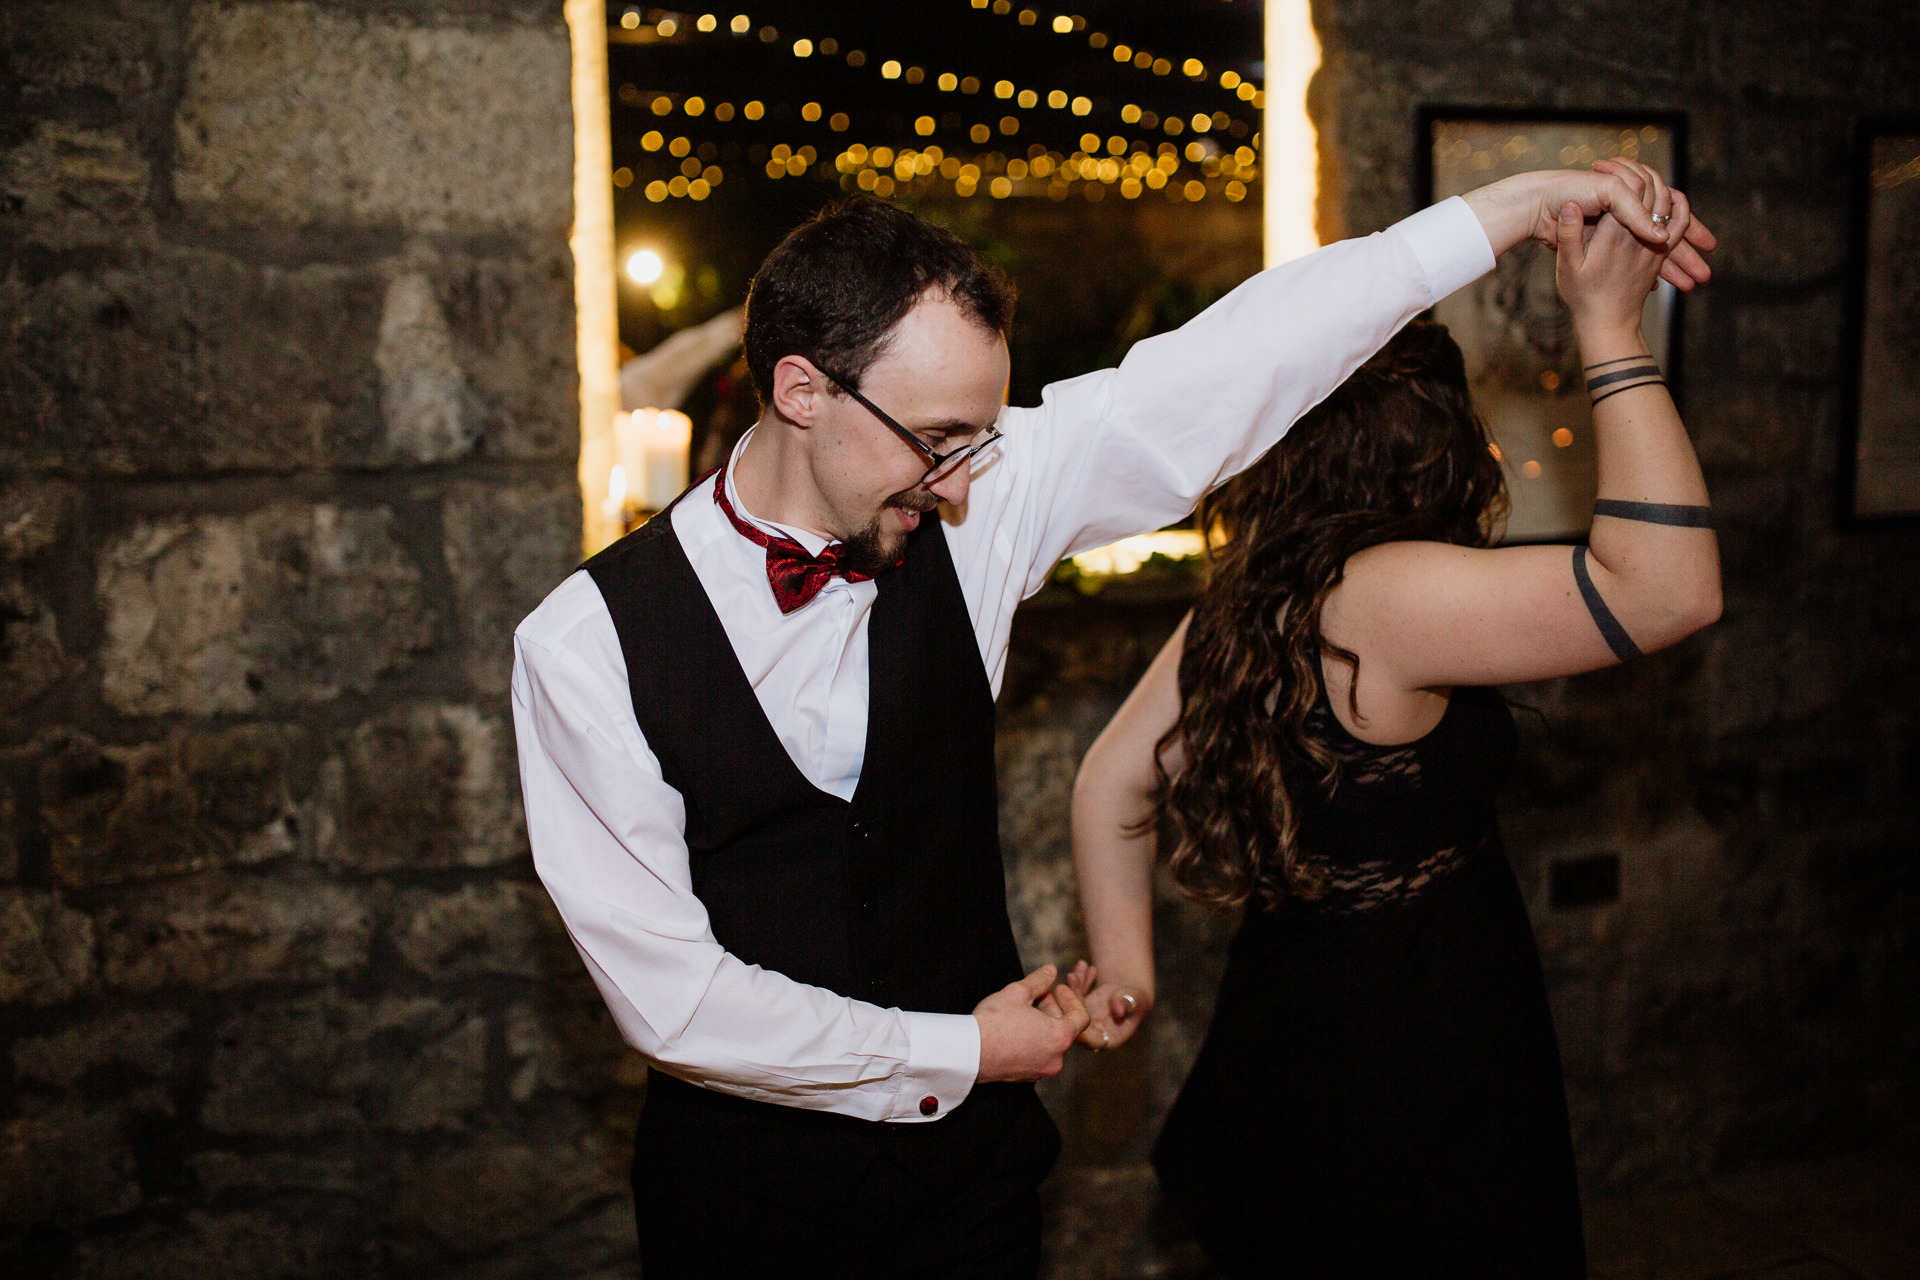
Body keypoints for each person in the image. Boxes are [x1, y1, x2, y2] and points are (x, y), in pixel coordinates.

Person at [510, 165, 1714, 1276]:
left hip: (972, 1199)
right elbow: (673, 997)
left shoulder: (973, 509)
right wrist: (963, 1051)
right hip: (743, 1214)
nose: (969, 480)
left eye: (979, 437)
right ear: (801, 390)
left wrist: (1512, 208)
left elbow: (1228, 367)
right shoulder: (582, 647)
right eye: (937, 443)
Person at [1066, 167, 1722, 1278]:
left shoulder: (1262, 577)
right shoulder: (1388, 594)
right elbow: (1671, 591)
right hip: (1413, 1033)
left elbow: (1110, 781)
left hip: (1288, 1010)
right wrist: (1613, 329)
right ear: (1432, 433)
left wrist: (1130, 973)